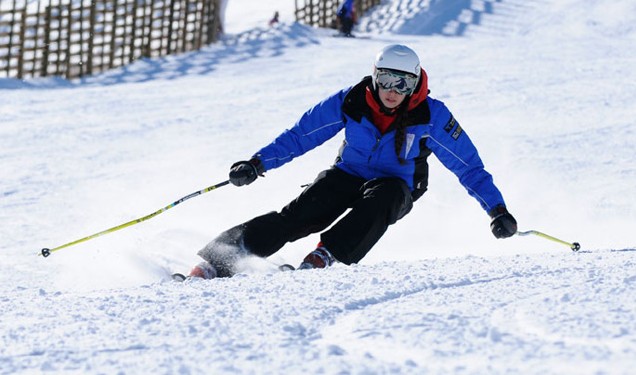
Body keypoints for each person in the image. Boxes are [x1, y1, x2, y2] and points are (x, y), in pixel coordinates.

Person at [189, 44, 518, 279]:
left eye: (403, 82)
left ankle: (326, 253)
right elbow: (302, 135)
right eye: (387, 79)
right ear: (375, 75)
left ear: (416, 83)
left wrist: (497, 211)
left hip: (396, 186)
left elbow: (469, 166)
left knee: (380, 200)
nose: (393, 90)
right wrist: (258, 163)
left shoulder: (432, 116)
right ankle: (220, 258)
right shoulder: (351, 101)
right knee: (298, 215)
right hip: (347, 174)